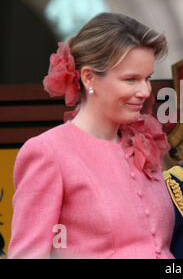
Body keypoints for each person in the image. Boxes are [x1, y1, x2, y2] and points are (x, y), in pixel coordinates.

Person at [8, 13, 174, 259]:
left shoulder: (145, 143)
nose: (145, 91)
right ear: (89, 78)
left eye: (147, 78)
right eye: (131, 79)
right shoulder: (48, 152)